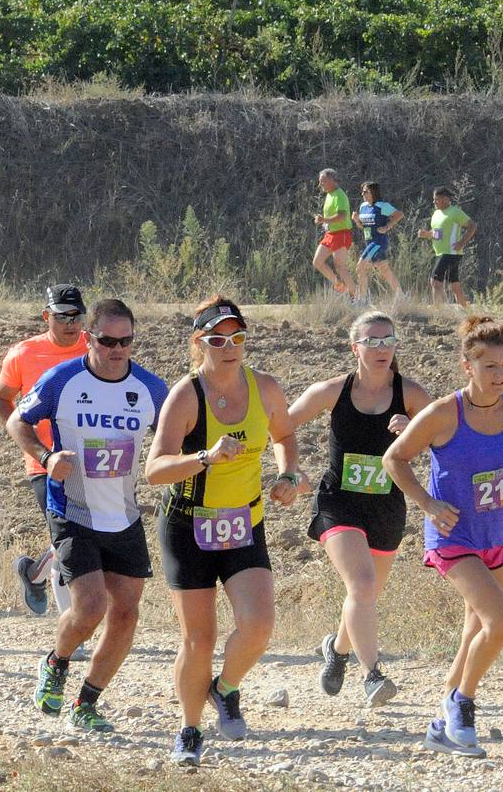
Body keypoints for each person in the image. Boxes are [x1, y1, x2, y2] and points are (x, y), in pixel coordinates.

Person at [143, 296, 307, 766]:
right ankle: (189, 730)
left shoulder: (266, 388)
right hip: (188, 525)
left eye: (238, 338)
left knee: (258, 627)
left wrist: (289, 475)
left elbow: (286, 437)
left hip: (243, 523)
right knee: (200, 638)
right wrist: (205, 458)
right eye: (218, 339)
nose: (230, 347)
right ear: (200, 343)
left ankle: (225, 688)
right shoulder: (185, 395)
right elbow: (154, 471)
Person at [10, 299, 169, 733]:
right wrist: (45, 455)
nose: (117, 349)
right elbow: (16, 423)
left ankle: (88, 701)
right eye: (107, 340)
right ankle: (57, 662)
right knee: (91, 606)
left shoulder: (152, 389)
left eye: (126, 341)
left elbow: (181, 430)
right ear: (89, 337)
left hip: (123, 514)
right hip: (72, 511)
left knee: (127, 614)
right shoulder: (62, 380)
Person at [383, 316, 503, 758]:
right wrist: (428, 504)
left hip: (498, 535)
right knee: (501, 623)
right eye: (489, 366)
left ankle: (441, 726)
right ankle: (462, 701)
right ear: (467, 366)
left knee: (475, 630)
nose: (500, 374)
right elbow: (395, 460)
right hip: (453, 537)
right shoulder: (443, 413)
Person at [287, 312, 430, 708]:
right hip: (339, 503)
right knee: (362, 586)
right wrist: (289, 469)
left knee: (364, 595)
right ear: (355, 348)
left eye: (388, 340)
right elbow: (280, 424)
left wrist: (414, 431)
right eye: (373, 341)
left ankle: (337, 648)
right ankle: (373, 675)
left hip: (386, 506)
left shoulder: (412, 395)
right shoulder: (332, 391)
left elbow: (446, 438)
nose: (382, 348)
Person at [0, 284, 90, 619]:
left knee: (85, 536)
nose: (70, 323)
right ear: (47, 316)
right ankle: (71, 631)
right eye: (62, 316)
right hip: (44, 463)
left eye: (77, 315)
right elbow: (1, 399)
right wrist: (26, 440)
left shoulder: (97, 346)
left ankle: (33, 572)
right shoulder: (23, 353)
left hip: (94, 460)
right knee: (70, 541)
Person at [417, 187, 477, 307]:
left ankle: (438, 312)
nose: (434, 202)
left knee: (434, 282)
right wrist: (426, 234)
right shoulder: (436, 214)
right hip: (441, 253)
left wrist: (462, 243)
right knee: (454, 285)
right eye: (434, 199)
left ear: (446, 199)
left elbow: (473, 226)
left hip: (450, 253)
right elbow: (437, 234)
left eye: (437, 199)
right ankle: (468, 311)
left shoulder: (455, 212)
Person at [352, 182, 404, 302]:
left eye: (366, 192)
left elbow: (399, 215)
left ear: (373, 192)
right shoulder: (363, 206)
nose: (363, 194)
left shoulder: (382, 205)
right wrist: (356, 220)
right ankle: (401, 296)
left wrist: (387, 227)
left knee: (360, 267)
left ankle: (362, 300)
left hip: (378, 242)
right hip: (369, 242)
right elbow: (362, 226)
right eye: (362, 192)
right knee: (384, 270)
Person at [311, 168, 356, 296]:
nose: (320, 185)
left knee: (340, 267)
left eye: (323, 181)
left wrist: (324, 219)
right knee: (317, 262)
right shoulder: (329, 195)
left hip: (341, 233)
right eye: (320, 182)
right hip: (330, 234)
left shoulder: (340, 195)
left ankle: (358, 297)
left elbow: (342, 216)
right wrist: (324, 221)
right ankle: (341, 288)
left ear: (332, 180)